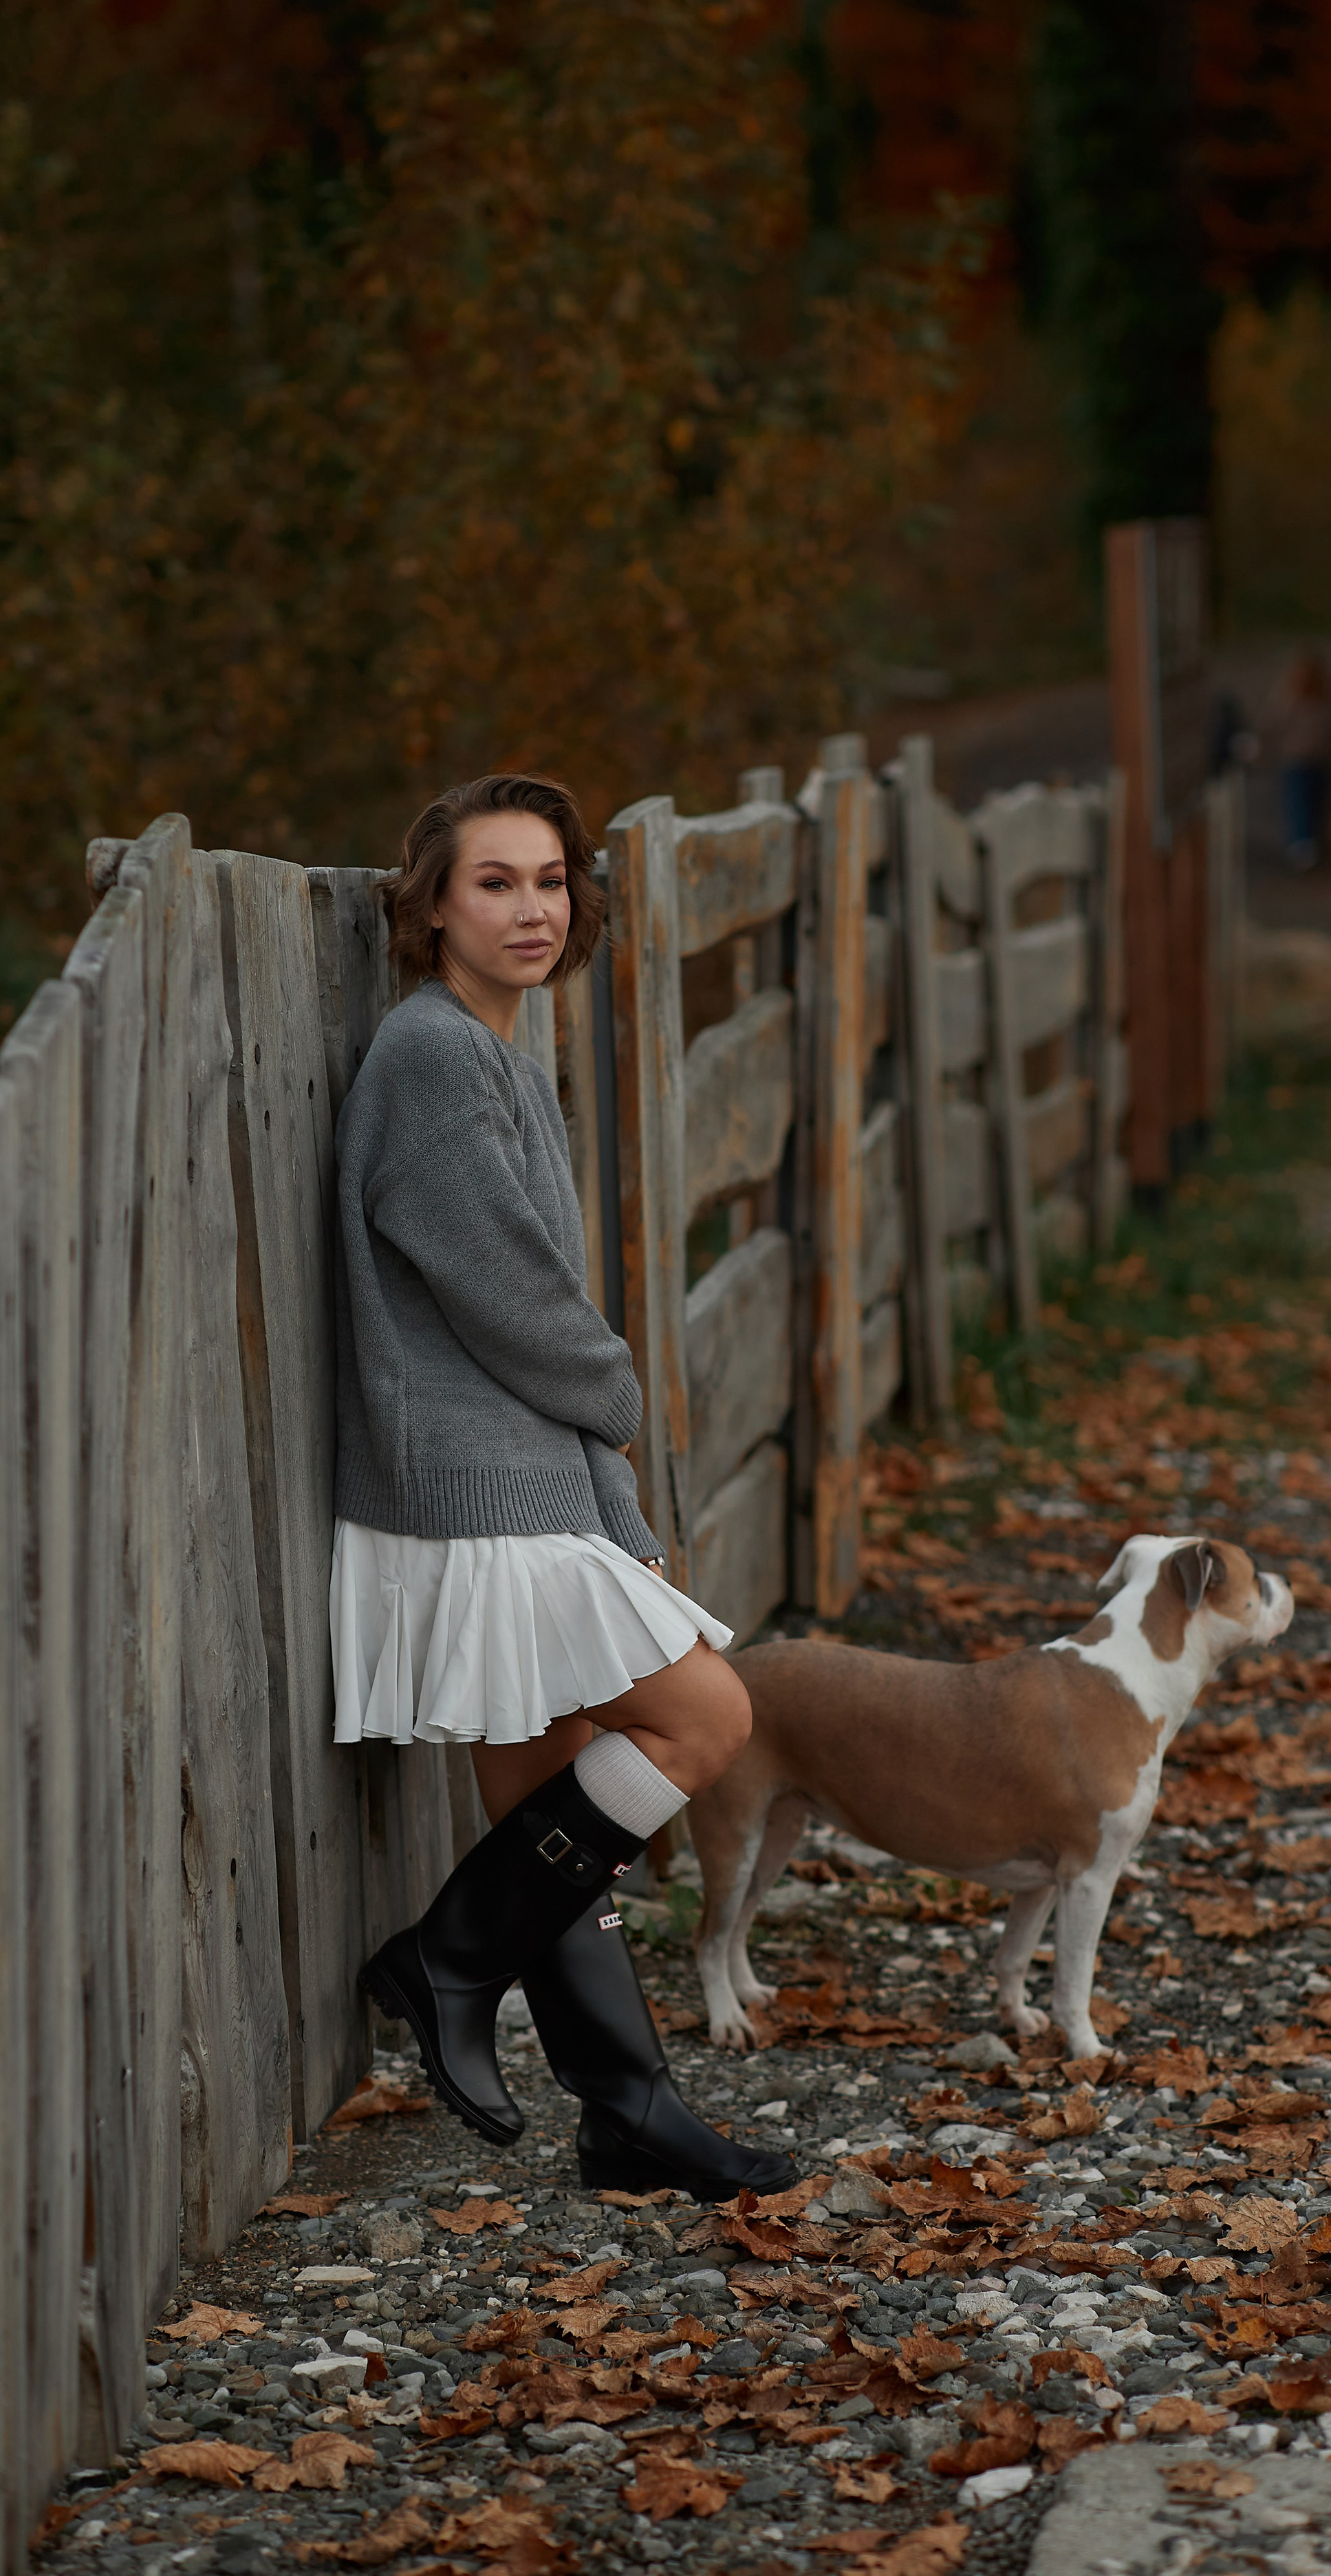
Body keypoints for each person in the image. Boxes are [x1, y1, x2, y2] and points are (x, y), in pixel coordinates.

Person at [329, 772, 794, 2202]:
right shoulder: (431, 1057)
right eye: (494, 882)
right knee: (706, 1711)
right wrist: (617, 1393)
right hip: (477, 1483)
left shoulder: (499, 1048)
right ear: (429, 907)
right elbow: (510, 1300)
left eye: (550, 882)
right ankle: (447, 1959)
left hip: (518, 1470)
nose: (532, 909)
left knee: (546, 1794)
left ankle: (625, 2113)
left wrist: (617, 1505)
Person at [1269, 649, 1331, 871]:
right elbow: (1274, 725)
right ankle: (1302, 845)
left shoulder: (1327, 700)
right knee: (1299, 803)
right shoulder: (1290, 699)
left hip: (1320, 761)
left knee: (1316, 805)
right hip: (1297, 762)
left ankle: (1312, 845)